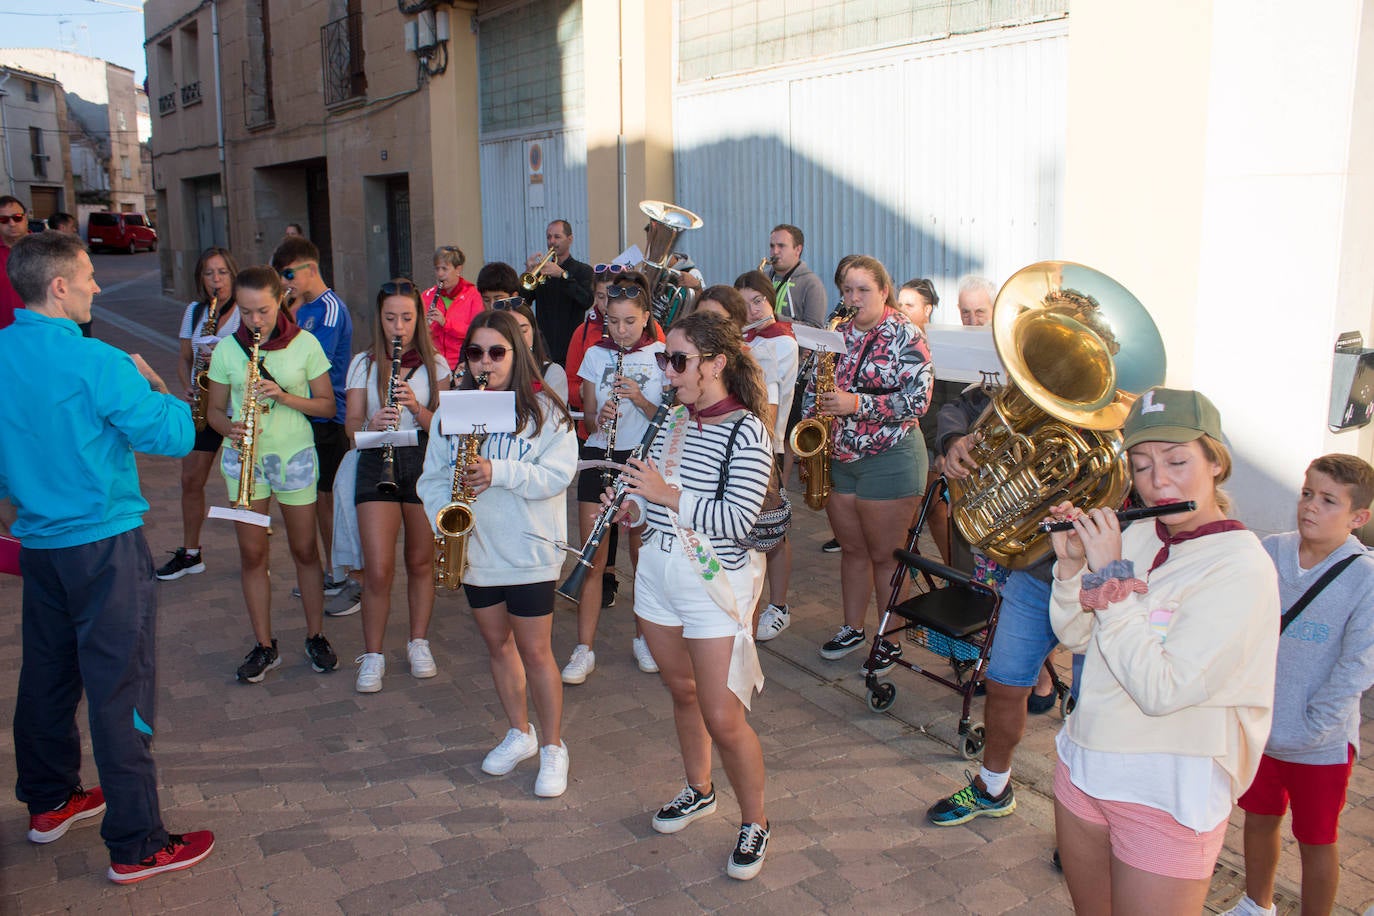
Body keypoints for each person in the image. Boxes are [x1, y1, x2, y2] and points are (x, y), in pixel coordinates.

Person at [0, 230, 214, 883]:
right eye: (89, 275)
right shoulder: (99, 362)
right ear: (59, 286)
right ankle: (137, 842)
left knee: (47, 673)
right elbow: (177, 434)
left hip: (39, 544)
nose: (97, 285)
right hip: (103, 545)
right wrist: (151, 380)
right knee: (120, 688)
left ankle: (51, 799)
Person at [1045, 388, 1279, 913]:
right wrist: (1072, 569)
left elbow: (1161, 689)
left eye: (1177, 461)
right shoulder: (1141, 534)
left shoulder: (1241, 568)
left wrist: (1111, 572)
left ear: (1215, 462)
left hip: (1167, 791)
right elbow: (1078, 637)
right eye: (1142, 464)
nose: (1157, 482)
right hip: (1085, 765)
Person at [616, 310, 774, 880]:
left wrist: (667, 493)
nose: (667, 372)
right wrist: (637, 504)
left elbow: (736, 520)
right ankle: (699, 789)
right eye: (665, 359)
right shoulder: (672, 419)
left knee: (723, 715)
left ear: (715, 364)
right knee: (681, 692)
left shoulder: (748, 431)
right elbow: (655, 498)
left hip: (713, 583)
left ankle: (754, 821)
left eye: (677, 360)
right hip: (658, 575)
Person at [417, 310, 578, 797]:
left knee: (536, 651)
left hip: (529, 550)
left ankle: (553, 747)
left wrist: (499, 472)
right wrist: (445, 519)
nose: (486, 362)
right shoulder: (452, 412)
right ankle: (519, 732)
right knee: (498, 647)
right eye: (475, 353)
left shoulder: (546, 411)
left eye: (497, 352)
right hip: (477, 549)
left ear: (517, 353)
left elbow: (557, 476)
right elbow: (430, 479)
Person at [1225, 455, 1374, 916]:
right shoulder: (1270, 551)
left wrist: (1316, 726)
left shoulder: (1365, 576)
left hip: (1319, 744)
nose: (1310, 506)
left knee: (1316, 839)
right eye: (1308, 493)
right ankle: (1257, 903)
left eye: (1329, 500)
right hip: (1262, 727)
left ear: (1358, 518)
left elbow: (1358, 663)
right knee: (1259, 819)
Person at [205, 266, 340, 683]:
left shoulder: (306, 344)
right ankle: (264, 645)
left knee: (304, 550)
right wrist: (229, 427)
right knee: (252, 555)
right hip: (244, 461)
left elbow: (327, 407)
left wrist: (283, 396)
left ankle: (315, 634)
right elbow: (212, 411)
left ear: (279, 301)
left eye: (262, 310)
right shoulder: (228, 350)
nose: (254, 321)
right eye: (245, 313)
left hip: (294, 457)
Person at [802, 256, 932, 667]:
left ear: (883, 292)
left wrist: (856, 403)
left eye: (863, 290)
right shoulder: (836, 331)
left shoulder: (904, 334)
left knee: (886, 556)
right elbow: (815, 383)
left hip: (889, 456)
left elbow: (918, 400)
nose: (854, 298)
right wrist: (811, 424)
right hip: (841, 455)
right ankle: (853, 627)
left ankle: (889, 638)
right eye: (847, 290)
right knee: (853, 551)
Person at [344, 279, 450, 693]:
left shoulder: (437, 366)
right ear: (379, 320)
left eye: (407, 317)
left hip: (423, 462)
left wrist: (415, 407)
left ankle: (418, 642)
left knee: (421, 562)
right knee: (379, 568)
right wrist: (369, 424)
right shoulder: (363, 364)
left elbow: (445, 428)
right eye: (390, 318)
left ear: (418, 320)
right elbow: (349, 428)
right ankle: (373, 655)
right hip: (375, 461)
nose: (398, 327)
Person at [567, 269, 668, 682]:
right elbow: (588, 421)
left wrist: (639, 399)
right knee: (593, 557)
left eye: (629, 321)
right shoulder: (595, 355)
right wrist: (601, 415)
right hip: (600, 457)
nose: (621, 330)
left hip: (640, 459)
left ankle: (644, 638)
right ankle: (583, 649)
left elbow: (665, 420)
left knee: (640, 557)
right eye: (613, 321)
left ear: (645, 317)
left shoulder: (662, 355)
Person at [271, 237, 357, 608]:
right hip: (305, 414)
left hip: (329, 415)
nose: (285, 282)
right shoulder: (301, 307)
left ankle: (347, 576)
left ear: (310, 268)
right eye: (281, 276)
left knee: (330, 501)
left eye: (289, 274)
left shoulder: (330, 309)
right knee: (318, 498)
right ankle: (333, 572)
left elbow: (307, 360)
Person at [156, 247, 241, 581]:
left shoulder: (243, 312)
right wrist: (187, 386)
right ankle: (191, 553)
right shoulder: (194, 312)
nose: (216, 280)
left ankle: (254, 546)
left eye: (222, 272)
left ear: (233, 275)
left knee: (243, 487)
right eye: (209, 273)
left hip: (235, 407)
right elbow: (183, 359)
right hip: (203, 405)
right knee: (191, 479)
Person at [735, 270, 799, 641]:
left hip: (767, 443)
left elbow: (768, 392)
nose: (751, 310)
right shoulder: (744, 338)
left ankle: (778, 605)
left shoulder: (782, 342)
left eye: (757, 301)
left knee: (772, 530)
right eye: (742, 305)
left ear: (770, 299)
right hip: (739, 441)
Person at [522, 219, 593, 367]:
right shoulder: (541, 271)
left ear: (570, 239)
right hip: (543, 347)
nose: (552, 241)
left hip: (570, 347)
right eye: (548, 237)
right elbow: (524, 301)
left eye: (557, 237)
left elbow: (586, 300)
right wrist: (529, 273)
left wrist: (563, 276)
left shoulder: (583, 270)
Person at [424, 245, 484, 372]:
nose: (440, 274)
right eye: (437, 269)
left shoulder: (473, 296)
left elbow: (476, 332)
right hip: (434, 365)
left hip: (462, 364)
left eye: (444, 269)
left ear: (458, 269)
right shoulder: (426, 296)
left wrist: (445, 323)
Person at [496, 297, 568, 401]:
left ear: (534, 331)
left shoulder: (552, 372)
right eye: (510, 332)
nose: (518, 338)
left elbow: (549, 414)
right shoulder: (488, 370)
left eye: (523, 331)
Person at [765, 224, 828, 327]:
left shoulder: (812, 284)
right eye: (772, 246)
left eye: (781, 246)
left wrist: (775, 319)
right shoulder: (763, 278)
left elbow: (815, 330)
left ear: (798, 250)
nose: (774, 251)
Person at [0, 195, 30, 330]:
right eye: (4, 219)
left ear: (26, 218)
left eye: (17, 217)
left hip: (41, 335)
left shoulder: (46, 248)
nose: (12, 223)